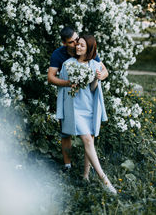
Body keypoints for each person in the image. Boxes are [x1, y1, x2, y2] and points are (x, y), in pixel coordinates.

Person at [56, 35, 117, 194]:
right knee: (88, 140)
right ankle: (105, 180)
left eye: (82, 45)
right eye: (78, 45)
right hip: (75, 109)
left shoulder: (95, 64)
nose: (78, 47)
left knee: (90, 140)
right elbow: (62, 90)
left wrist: (97, 79)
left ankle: (86, 175)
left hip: (90, 107)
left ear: (89, 48)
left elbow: (92, 89)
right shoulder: (67, 64)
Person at [48, 27, 108, 172]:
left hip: (85, 100)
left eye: (77, 39)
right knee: (65, 133)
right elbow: (51, 77)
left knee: (89, 135)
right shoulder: (59, 55)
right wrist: (69, 83)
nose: (76, 44)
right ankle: (68, 165)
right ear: (64, 43)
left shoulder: (85, 50)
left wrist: (101, 76)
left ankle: (86, 172)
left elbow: (104, 71)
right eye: (72, 42)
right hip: (68, 97)